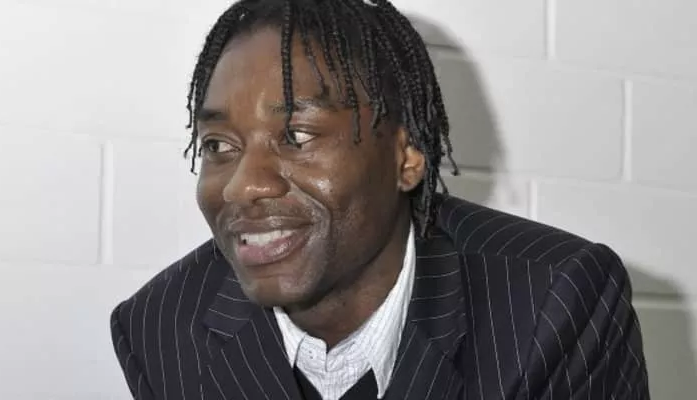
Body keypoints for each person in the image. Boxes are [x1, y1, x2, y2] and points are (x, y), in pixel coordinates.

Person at [110, 0, 649, 398]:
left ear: (407, 157)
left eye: (296, 136)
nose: (242, 186)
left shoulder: (552, 304)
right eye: (218, 146)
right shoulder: (161, 329)